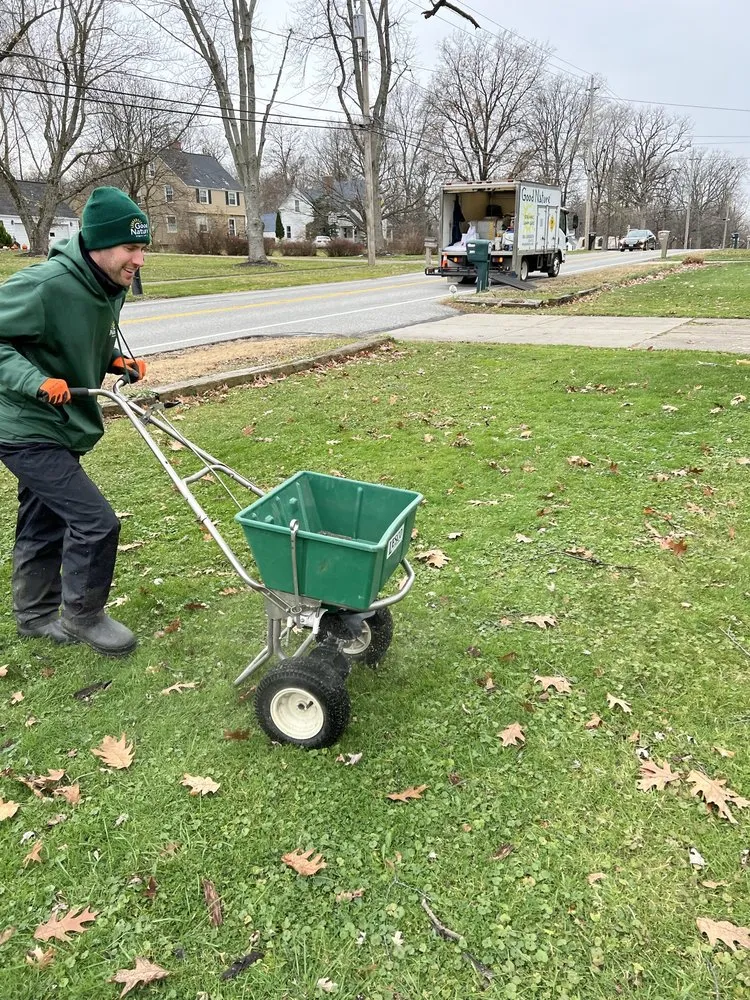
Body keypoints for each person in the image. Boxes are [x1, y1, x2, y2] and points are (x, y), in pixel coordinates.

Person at [0, 187, 151, 656]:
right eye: (131, 248)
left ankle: (33, 615)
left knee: (43, 519)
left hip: (59, 423)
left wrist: (113, 360)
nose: (139, 260)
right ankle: (84, 615)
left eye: (142, 249)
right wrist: (35, 381)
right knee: (95, 522)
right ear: (100, 245)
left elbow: (78, 336)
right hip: (24, 426)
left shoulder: (107, 286)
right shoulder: (46, 286)